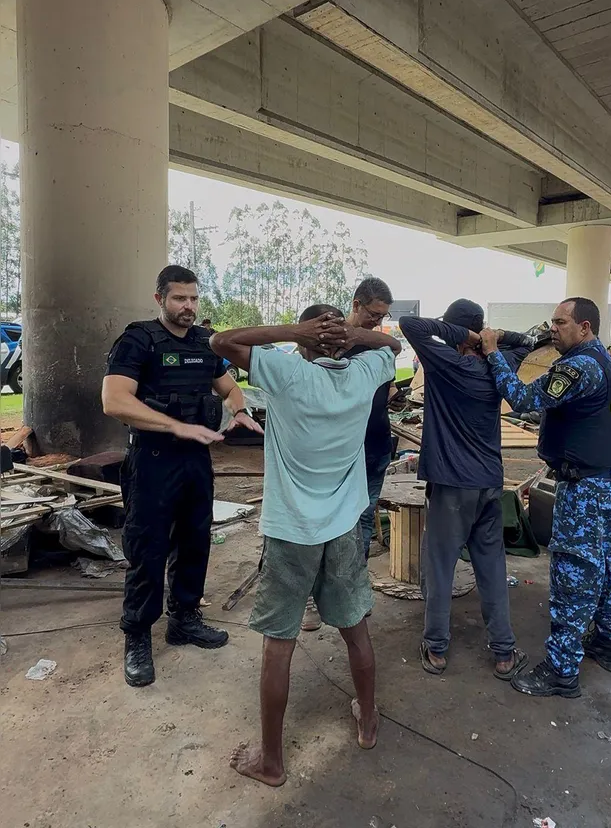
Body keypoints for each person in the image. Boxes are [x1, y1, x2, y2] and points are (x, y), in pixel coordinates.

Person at [210, 307, 400, 787]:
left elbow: (222, 342)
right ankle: (368, 720)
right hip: (341, 531)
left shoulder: (288, 370)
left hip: (291, 529)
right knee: (355, 630)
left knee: (280, 644)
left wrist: (298, 333)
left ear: (304, 341)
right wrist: (352, 336)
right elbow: (393, 348)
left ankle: (271, 760)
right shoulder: (364, 374)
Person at [102, 266, 262, 688]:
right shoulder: (138, 340)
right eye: (179, 299)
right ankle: (137, 634)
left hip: (196, 460)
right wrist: (174, 426)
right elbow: (114, 400)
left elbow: (228, 387)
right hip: (153, 459)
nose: (188, 306)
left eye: (193, 298)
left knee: (195, 540)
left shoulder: (202, 343)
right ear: (160, 299)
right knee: (148, 548)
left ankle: (184, 619)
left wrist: (240, 409)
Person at [479, 297, 611, 699]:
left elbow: (524, 399)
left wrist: (493, 354)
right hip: (610, 480)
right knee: (603, 562)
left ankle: (562, 670)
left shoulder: (578, 366)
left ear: (584, 327)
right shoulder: (609, 363)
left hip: (586, 490)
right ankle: (607, 641)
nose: (553, 329)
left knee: (572, 574)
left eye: (561, 323)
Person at [399, 300, 534, 680]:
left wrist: (466, 336)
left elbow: (410, 324)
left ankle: (437, 647)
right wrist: (492, 339)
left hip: (452, 486)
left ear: (457, 331)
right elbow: (527, 342)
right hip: (490, 486)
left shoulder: (449, 364)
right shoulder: (499, 366)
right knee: (491, 566)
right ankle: (504, 652)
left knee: (440, 567)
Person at [302, 276, 396, 632]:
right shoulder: (325, 344)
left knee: (364, 523)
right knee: (322, 526)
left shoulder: (377, 347)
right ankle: (313, 599)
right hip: (333, 455)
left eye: (383, 317)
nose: (378, 323)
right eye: (373, 314)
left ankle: (353, 595)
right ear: (355, 305)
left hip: (373, 448)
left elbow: (384, 375)